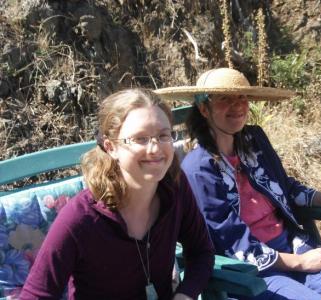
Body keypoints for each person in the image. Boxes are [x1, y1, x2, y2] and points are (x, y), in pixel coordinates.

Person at [155, 68, 321, 300]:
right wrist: (299, 263)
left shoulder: (253, 140)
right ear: (203, 108)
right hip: (252, 271)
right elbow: (229, 240)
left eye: (241, 97)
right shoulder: (199, 169)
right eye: (224, 99)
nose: (237, 105)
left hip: (294, 246)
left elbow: (285, 188)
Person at [20, 88, 215, 300]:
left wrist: (185, 294)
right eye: (140, 139)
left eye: (163, 135)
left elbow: (201, 252)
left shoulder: (175, 188)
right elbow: (36, 295)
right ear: (111, 147)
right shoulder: (80, 218)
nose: (155, 148)